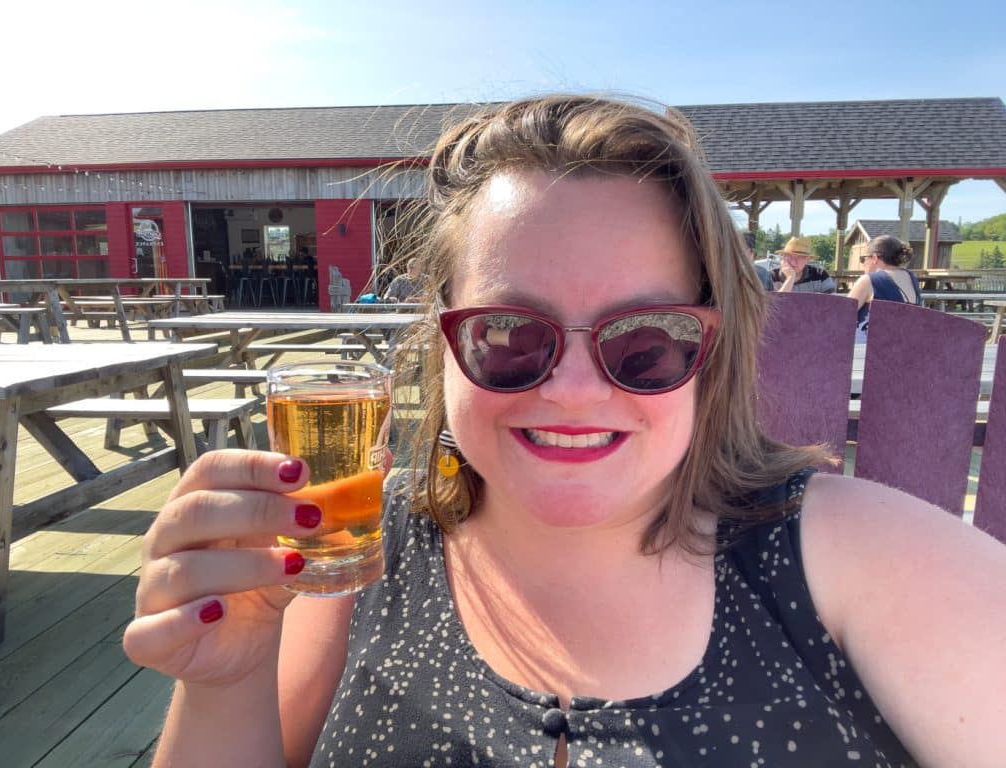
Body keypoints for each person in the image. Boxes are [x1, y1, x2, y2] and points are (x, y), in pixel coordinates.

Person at [124, 95, 1006, 767]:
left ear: (713, 345)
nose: (574, 391)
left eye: (647, 339)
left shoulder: (859, 559)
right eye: (509, 334)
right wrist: (225, 678)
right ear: (444, 341)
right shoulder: (350, 550)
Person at [849, 235, 922, 341]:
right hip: (905, 347)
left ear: (874, 258)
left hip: (868, 351)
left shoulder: (869, 280)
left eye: (863, 259)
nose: (863, 264)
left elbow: (841, 315)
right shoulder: (912, 278)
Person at [772, 235, 836, 293]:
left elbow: (832, 303)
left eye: (799, 258)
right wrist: (790, 278)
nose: (793, 262)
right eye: (790, 256)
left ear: (807, 260)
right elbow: (772, 305)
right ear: (783, 257)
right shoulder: (771, 277)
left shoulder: (821, 276)